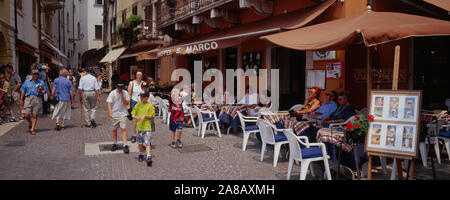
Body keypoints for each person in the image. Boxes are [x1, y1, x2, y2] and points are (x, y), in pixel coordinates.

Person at [20, 69, 47, 135]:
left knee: (35, 115)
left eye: (37, 74)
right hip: (28, 98)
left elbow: (45, 91)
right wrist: (21, 99)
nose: (36, 75)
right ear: (31, 74)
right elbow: (23, 90)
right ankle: (30, 122)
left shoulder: (41, 82)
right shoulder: (27, 82)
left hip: (37, 98)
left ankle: (32, 129)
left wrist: (41, 92)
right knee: (27, 115)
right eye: (34, 74)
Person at [131, 91, 155, 166]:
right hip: (139, 128)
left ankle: (148, 156)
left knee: (147, 143)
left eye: (142, 97)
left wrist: (145, 116)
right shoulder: (138, 105)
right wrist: (136, 117)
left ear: (147, 98)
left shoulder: (150, 106)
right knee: (140, 143)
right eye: (140, 97)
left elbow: (152, 116)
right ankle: (141, 153)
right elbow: (133, 114)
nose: (140, 98)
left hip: (147, 128)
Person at [107, 81, 130, 154]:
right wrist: (110, 112)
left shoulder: (125, 93)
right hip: (115, 114)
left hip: (123, 113)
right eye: (119, 88)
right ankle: (115, 143)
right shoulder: (112, 93)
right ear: (116, 86)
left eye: (121, 88)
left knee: (123, 128)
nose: (120, 89)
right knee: (114, 129)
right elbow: (109, 103)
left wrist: (122, 96)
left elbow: (126, 103)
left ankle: (125, 144)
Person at [128, 71, 144, 143]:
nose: (139, 76)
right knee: (135, 119)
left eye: (141, 75)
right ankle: (134, 135)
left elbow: (146, 93)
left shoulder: (143, 83)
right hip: (134, 102)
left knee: (142, 119)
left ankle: (141, 134)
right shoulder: (132, 83)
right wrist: (128, 104)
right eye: (138, 75)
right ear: (136, 76)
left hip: (142, 103)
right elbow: (129, 95)